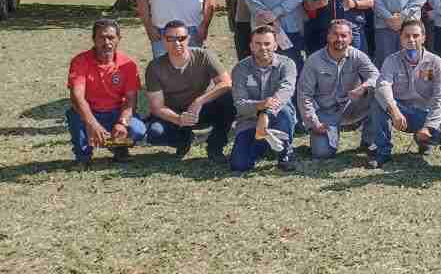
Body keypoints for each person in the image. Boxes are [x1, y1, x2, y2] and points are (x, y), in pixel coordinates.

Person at [144, 20, 235, 163]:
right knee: (155, 133)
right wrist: (179, 119)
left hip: (201, 111)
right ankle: (184, 140)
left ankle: (215, 146)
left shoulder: (204, 55)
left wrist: (199, 101)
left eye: (181, 38)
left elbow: (227, 83)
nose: (177, 43)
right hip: (174, 114)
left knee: (229, 98)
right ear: (163, 40)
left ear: (188, 38)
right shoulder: (154, 67)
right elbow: (157, 107)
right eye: (171, 39)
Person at [65, 18, 146, 168]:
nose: (107, 42)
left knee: (138, 130)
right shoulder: (80, 61)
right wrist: (92, 124)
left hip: (116, 112)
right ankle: (83, 156)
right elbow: (77, 97)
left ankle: (118, 147)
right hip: (90, 112)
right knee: (76, 115)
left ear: (118, 39)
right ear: (94, 39)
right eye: (101, 37)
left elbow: (130, 100)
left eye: (111, 37)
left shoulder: (128, 64)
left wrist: (122, 123)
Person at [368, 19, 441, 169]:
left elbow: (440, 97)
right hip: (401, 114)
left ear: (424, 37)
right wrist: (394, 110)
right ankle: (382, 152)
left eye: (416, 35)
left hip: (425, 114)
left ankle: (425, 140)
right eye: (407, 36)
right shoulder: (391, 60)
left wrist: (429, 126)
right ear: (401, 38)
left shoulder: (436, 63)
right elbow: (383, 86)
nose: (411, 40)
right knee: (378, 100)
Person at [298, 20, 380, 160]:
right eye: (335, 34)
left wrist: (364, 87)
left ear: (350, 38)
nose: (339, 39)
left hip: (351, 106)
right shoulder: (314, 61)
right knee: (322, 154)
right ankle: (322, 140)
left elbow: (376, 76)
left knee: (379, 93)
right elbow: (304, 95)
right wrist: (314, 122)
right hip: (325, 112)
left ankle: (369, 142)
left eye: (344, 35)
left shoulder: (358, 56)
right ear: (328, 36)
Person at [229, 26, 298, 173]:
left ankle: (285, 153)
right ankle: (264, 145)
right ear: (251, 46)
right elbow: (240, 104)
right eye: (258, 44)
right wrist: (260, 106)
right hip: (249, 121)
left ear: (275, 45)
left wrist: (266, 113)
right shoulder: (240, 69)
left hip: (278, 116)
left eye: (267, 43)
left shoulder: (287, 64)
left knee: (285, 110)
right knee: (239, 165)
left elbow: (286, 92)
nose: (263, 48)